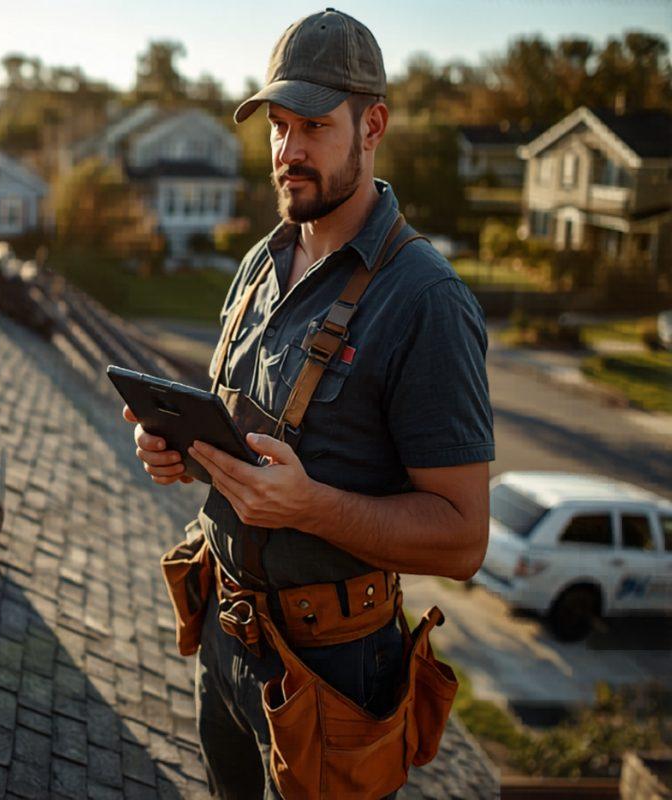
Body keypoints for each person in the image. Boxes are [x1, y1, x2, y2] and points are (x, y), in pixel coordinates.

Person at [123, 8, 494, 799]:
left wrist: (309, 506)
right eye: (278, 126)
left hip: (334, 672)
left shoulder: (426, 300)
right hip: (225, 640)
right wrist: (183, 456)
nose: (288, 152)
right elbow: (246, 446)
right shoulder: (265, 260)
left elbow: (463, 540)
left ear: (373, 126)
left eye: (314, 127)